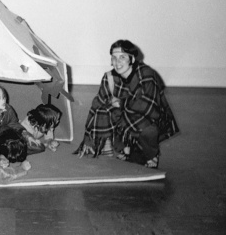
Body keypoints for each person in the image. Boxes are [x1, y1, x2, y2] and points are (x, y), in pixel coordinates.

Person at [74, 39, 179, 168]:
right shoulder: (109, 78)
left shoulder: (146, 74)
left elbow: (148, 107)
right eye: (114, 58)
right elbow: (96, 105)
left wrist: (122, 103)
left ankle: (149, 154)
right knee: (103, 110)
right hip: (124, 120)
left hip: (149, 120)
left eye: (122, 57)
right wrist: (87, 138)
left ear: (132, 59)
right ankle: (120, 147)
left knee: (146, 129)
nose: (117, 62)